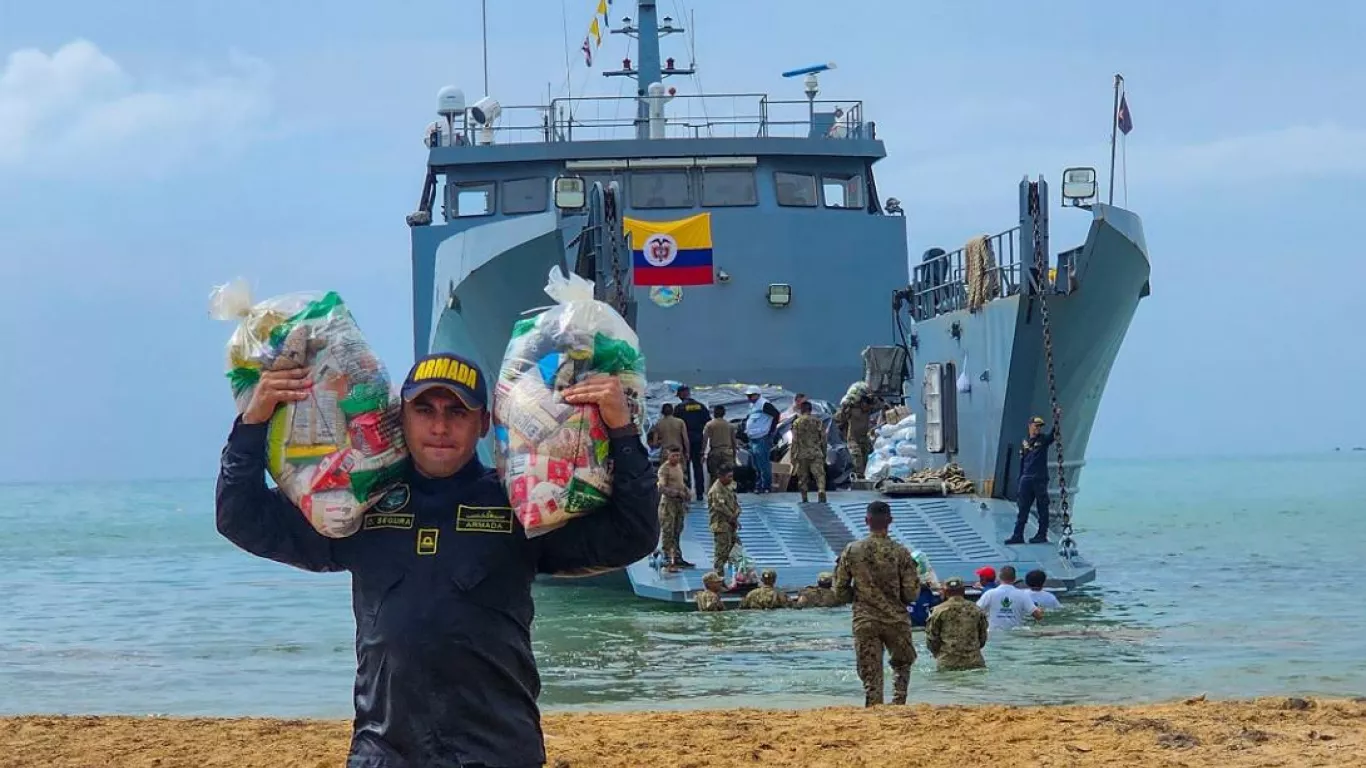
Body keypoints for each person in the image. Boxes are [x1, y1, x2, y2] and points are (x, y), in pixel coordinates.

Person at [215, 352, 659, 768]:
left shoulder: (521, 507)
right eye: (425, 410)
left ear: (484, 423)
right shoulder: (357, 506)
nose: (440, 426)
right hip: (385, 751)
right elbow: (242, 518)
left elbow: (631, 536)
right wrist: (252, 422)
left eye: (458, 412)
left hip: (498, 749)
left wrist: (623, 432)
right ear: (399, 418)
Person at [833, 501, 919, 707]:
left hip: (865, 618)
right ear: (890, 521)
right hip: (896, 619)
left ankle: (874, 705)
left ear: (866, 521)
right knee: (902, 663)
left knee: (870, 669)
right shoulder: (901, 553)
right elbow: (911, 593)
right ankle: (899, 701)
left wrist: (857, 595)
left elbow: (840, 590)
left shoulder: (853, 550)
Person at [1006, 415, 1054, 545]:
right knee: (1023, 508)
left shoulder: (1043, 440)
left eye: (1040, 426)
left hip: (1039, 479)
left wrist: (1056, 418)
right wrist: (1020, 479)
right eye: (1036, 426)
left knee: (1042, 507)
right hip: (1026, 479)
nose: (1038, 428)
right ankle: (1018, 535)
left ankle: (1041, 534)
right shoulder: (1025, 443)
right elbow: (1023, 462)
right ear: (1030, 426)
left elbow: (1053, 435)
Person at [925, 577, 989, 670]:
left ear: (945, 591)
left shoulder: (938, 611)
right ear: (963, 590)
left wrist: (938, 653)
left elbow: (931, 638)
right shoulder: (976, 609)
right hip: (974, 663)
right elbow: (983, 637)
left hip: (947, 663)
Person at [656, 447, 693, 569]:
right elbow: (661, 487)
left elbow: (681, 483)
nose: (676, 458)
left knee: (677, 530)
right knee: (668, 530)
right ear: (668, 455)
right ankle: (666, 557)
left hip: (679, 504)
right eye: (674, 456)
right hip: (668, 504)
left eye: (678, 455)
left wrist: (686, 492)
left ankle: (677, 557)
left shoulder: (678, 466)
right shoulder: (664, 469)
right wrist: (676, 493)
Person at [975, 565, 1042, 631]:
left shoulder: (989, 594)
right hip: (1015, 636)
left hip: (993, 636)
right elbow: (1038, 616)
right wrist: (1040, 609)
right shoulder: (1023, 595)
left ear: (999, 578)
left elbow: (973, 612)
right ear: (1015, 578)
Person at [834, 388, 882, 477]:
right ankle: (858, 476)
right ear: (861, 403)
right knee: (857, 456)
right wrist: (844, 408)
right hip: (853, 438)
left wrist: (874, 397)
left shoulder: (868, 410)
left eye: (868, 404)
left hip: (864, 438)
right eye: (865, 404)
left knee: (867, 458)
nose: (866, 407)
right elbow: (839, 418)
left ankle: (864, 476)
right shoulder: (852, 410)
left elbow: (880, 405)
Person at [674, 385, 710, 501]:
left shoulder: (679, 408)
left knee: (685, 467)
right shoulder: (701, 406)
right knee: (698, 466)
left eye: (679, 394)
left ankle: (687, 491)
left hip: (685, 440)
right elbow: (708, 422)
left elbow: (675, 425)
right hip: (698, 439)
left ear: (682, 394)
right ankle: (699, 493)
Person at [742, 386, 781, 493]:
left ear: (757, 394)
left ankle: (766, 486)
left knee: (764, 464)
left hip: (762, 438)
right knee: (756, 464)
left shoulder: (764, 404)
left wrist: (771, 431)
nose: (749, 398)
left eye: (751, 396)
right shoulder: (752, 405)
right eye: (748, 396)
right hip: (753, 438)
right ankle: (758, 485)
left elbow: (776, 415)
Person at [789, 400, 828, 503]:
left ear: (801, 410)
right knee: (819, 475)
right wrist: (824, 453)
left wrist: (792, 456)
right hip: (816, 452)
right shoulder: (818, 421)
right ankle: (821, 490)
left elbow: (794, 441)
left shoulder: (797, 422)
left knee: (802, 477)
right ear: (811, 409)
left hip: (802, 454)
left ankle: (804, 497)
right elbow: (824, 439)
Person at [706, 466, 741, 576]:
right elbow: (720, 508)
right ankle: (718, 578)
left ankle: (738, 574)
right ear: (720, 477)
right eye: (728, 476)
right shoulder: (716, 490)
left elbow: (735, 502)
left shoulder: (728, 487)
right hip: (721, 525)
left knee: (736, 548)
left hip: (730, 525)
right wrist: (733, 518)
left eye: (732, 476)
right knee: (721, 553)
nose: (731, 479)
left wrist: (737, 513)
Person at [702, 405, 737, 488]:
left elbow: (704, 440)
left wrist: (702, 453)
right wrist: (734, 456)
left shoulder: (709, 424)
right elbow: (734, 442)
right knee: (728, 475)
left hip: (715, 453)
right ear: (724, 413)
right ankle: (729, 494)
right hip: (727, 453)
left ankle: (714, 494)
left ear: (714, 413)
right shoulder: (730, 425)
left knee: (714, 476)